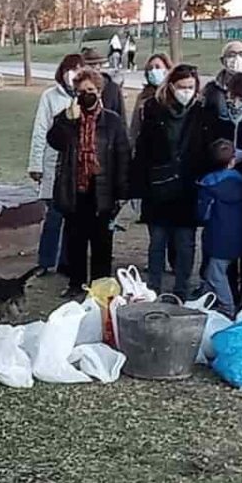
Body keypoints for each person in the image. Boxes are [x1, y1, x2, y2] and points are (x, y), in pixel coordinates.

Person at [46, 68, 130, 299]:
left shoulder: (112, 121)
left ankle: (100, 285)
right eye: (81, 91)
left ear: (99, 91)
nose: (86, 95)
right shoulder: (69, 117)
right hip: (75, 187)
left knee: (102, 241)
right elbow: (54, 141)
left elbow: (123, 155)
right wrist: (66, 120)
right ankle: (76, 283)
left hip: (103, 187)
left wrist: (122, 191)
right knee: (75, 239)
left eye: (90, 90)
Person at [131, 64, 207, 298]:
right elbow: (142, 150)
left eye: (190, 87)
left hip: (188, 187)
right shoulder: (153, 110)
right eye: (181, 86)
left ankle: (181, 289)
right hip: (158, 186)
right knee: (157, 243)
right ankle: (153, 287)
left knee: (185, 244)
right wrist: (137, 187)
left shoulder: (202, 112)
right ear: (171, 86)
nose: (186, 91)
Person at [195, 71, 242, 304]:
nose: (237, 102)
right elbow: (209, 147)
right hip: (221, 184)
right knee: (223, 237)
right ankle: (226, 287)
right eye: (234, 96)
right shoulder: (219, 118)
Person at [28, 54, 83, 277]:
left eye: (80, 70)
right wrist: (36, 164)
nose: (74, 74)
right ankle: (45, 260)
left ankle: (67, 262)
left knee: (75, 218)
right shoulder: (50, 96)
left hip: (78, 166)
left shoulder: (87, 96)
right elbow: (41, 130)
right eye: (71, 69)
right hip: (54, 163)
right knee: (54, 216)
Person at [197, 139, 242, 317]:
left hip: (217, 235)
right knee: (213, 271)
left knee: (214, 274)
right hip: (238, 234)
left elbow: (203, 214)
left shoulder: (208, 185)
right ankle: (205, 302)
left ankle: (227, 309)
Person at [129, 53, 171, 146]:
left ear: (167, 70)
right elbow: (135, 127)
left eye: (157, 67)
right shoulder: (142, 97)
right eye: (150, 68)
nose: (154, 71)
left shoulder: (172, 95)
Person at [81, 47, 125, 120]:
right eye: (89, 65)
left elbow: (121, 116)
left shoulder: (112, 88)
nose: (92, 69)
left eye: (94, 65)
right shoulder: (79, 88)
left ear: (100, 66)